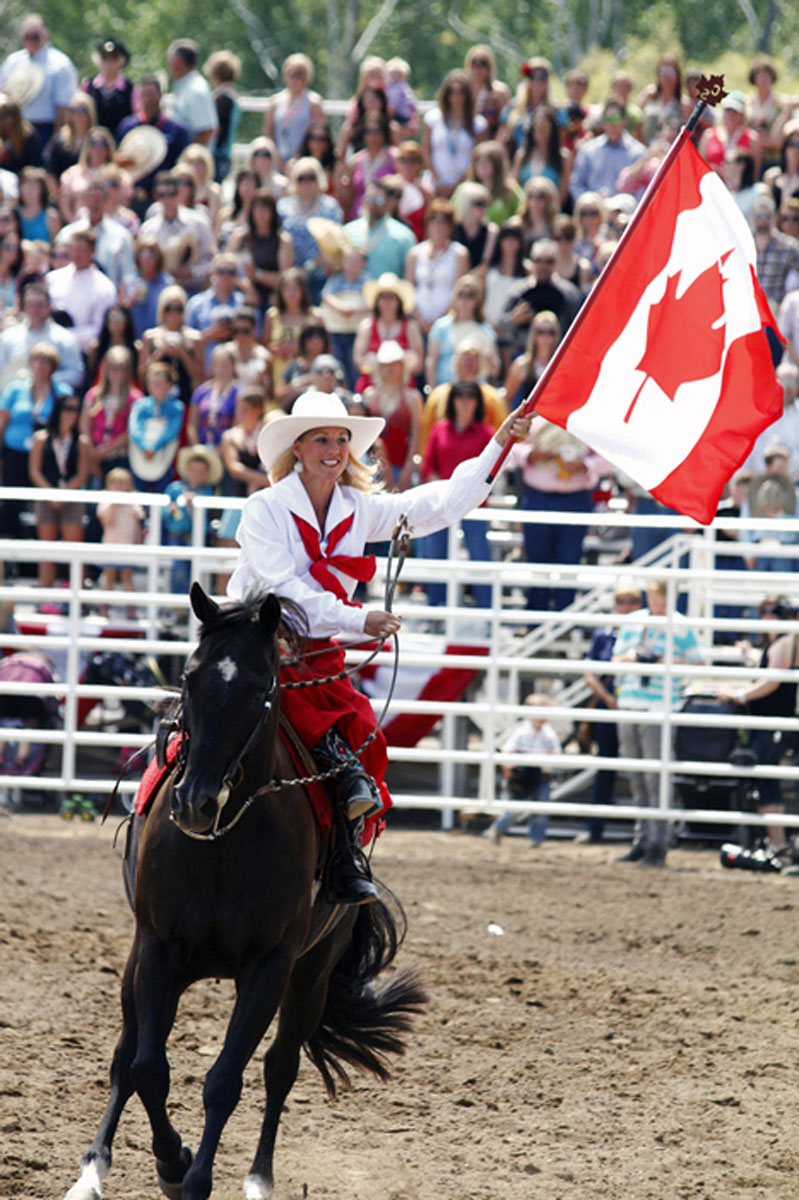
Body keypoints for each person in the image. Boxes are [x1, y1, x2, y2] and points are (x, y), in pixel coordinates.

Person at [226, 389, 532, 903]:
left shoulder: (358, 509)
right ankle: (176, 800)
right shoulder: (263, 509)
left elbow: (439, 504)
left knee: (360, 740)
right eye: (322, 438)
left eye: (342, 439)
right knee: (213, 714)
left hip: (317, 652)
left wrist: (498, 445)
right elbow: (283, 589)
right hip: (255, 639)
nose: (335, 448)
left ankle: (342, 858)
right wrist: (357, 617)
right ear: (297, 448)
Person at [612, 578, 703, 867]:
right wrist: (631, 658)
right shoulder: (634, 622)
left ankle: (658, 842)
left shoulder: (680, 625)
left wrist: (667, 661)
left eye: (662, 602)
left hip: (659, 704)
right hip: (629, 700)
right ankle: (642, 839)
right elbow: (615, 660)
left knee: (656, 776)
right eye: (653, 601)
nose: (657, 607)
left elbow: (699, 664)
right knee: (637, 776)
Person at [720, 596, 798, 851]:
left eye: (772, 611)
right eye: (763, 612)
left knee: (767, 779)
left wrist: (740, 694)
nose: (766, 617)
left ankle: (778, 845)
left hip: (774, 722)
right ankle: (778, 844)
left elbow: (772, 681)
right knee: (767, 779)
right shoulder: (781, 642)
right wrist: (751, 656)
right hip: (773, 721)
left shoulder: (787, 641)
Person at [417, 379, 496, 608]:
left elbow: (490, 470)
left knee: (479, 556)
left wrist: (466, 493)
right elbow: (427, 467)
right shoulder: (439, 429)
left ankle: (486, 610)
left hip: (474, 505)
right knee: (435, 555)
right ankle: (436, 609)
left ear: (477, 402)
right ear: (452, 401)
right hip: (442, 502)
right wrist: (447, 491)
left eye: (470, 396)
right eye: (459, 396)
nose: (464, 401)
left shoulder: (485, 433)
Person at [579, 578, 643, 844]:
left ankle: (644, 832)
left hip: (638, 703)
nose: (625, 607)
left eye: (631, 601)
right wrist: (607, 697)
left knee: (643, 767)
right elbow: (590, 671)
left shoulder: (647, 631)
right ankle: (595, 827)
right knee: (606, 764)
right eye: (621, 602)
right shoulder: (604, 634)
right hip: (610, 705)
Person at [0, 343, 70, 540]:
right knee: (12, 502)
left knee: (44, 503)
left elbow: (66, 424)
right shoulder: (15, 389)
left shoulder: (61, 392)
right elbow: (2, 422)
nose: (41, 366)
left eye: (46, 361)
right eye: (37, 360)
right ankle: (9, 555)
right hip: (15, 453)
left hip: (48, 455)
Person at [28, 390, 90, 589]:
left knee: (75, 551)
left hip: (70, 497)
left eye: (75, 409)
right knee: (47, 551)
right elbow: (34, 470)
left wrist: (64, 494)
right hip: (47, 497)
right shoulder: (41, 438)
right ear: (58, 410)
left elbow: (82, 474)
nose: (72, 413)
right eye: (68, 408)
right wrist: (51, 493)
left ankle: (78, 601)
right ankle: (45, 598)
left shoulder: (81, 441)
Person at [487, 693, 561, 844]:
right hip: (524, 775)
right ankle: (499, 828)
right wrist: (509, 771)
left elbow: (556, 753)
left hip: (542, 776)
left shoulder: (549, 734)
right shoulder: (521, 733)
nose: (541, 717)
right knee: (515, 808)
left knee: (540, 809)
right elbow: (507, 751)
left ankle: (536, 838)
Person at [0, 14, 78, 149]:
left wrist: (54, 141)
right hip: (14, 128)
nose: (31, 40)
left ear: (46, 34)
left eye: (35, 36)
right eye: (26, 36)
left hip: (45, 128)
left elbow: (64, 107)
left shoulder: (60, 64)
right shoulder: (13, 62)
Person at [0, 279, 83, 391]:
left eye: (39, 304)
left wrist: (43, 378)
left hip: (50, 399)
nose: (35, 309)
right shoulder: (9, 337)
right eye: (30, 304)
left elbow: (76, 375)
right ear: (24, 307)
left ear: (49, 306)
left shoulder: (64, 338)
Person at [45, 228, 117, 357]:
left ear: (92, 251)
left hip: (81, 352)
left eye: (82, 250)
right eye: (73, 249)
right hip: (47, 346)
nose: (77, 254)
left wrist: (65, 336)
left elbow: (98, 329)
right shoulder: (52, 278)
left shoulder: (104, 287)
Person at [362, 339, 422, 491]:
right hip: (374, 466)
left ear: (402, 367)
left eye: (394, 364)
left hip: (400, 464)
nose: (390, 369)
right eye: (386, 365)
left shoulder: (412, 397)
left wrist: (408, 468)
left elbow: (415, 436)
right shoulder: (370, 395)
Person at [163, 444, 221, 595]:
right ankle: (178, 608)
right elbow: (163, 510)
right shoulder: (174, 488)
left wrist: (194, 503)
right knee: (178, 568)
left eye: (200, 471)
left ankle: (192, 607)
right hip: (176, 537)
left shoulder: (207, 492)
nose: (195, 474)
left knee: (195, 573)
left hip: (199, 538)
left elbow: (207, 512)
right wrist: (171, 509)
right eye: (193, 470)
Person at [422, 69, 487, 199]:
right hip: (435, 183)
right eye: (452, 91)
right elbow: (425, 150)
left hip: (464, 184)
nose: (456, 96)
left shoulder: (478, 124)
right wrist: (439, 181)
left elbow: (477, 157)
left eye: (460, 92)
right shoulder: (433, 118)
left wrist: (458, 184)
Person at [80, 344, 140, 481]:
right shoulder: (93, 396)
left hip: (121, 457)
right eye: (112, 368)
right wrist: (93, 452)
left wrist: (106, 451)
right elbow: (84, 426)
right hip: (93, 456)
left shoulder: (135, 399)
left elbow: (131, 431)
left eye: (121, 368)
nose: (116, 372)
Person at [570, 99, 642, 204]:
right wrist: (589, 203)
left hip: (625, 215)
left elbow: (642, 190)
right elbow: (576, 184)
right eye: (608, 119)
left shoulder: (637, 153)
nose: (612, 123)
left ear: (624, 121)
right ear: (603, 122)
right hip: (592, 214)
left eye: (616, 119)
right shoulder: (588, 150)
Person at [128, 361, 185, 491]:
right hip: (141, 456)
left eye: (158, 383)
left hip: (163, 457)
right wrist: (145, 446)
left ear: (169, 385)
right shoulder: (140, 405)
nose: (153, 386)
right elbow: (135, 428)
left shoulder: (176, 408)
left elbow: (171, 431)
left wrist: (155, 447)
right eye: (151, 383)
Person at [263, 54, 324, 169]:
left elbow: (319, 134)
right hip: (278, 160)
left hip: (304, 161)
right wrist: (279, 162)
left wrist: (298, 158)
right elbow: (268, 134)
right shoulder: (275, 102)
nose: (293, 79)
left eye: (298, 74)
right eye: (290, 73)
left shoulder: (313, 102)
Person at [96, 466, 144, 610]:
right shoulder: (105, 503)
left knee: (127, 578)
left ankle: (131, 608)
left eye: (122, 483)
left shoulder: (134, 504)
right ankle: (104, 608)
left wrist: (139, 544)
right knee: (108, 577)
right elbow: (106, 522)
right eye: (115, 483)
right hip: (110, 546)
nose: (118, 487)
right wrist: (114, 504)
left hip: (128, 546)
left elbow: (137, 527)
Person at [165, 40, 218, 148]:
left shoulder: (196, 90)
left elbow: (207, 130)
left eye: (170, 58)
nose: (168, 62)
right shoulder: (185, 86)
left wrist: (188, 157)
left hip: (192, 162)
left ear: (178, 61)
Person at [203, 49, 241, 182]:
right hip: (225, 154)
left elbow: (217, 128)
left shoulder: (223, 99)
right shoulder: (232, 96)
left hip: (218, 155)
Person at [82, 38, 133, 138]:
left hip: (120, 143)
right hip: (93, 145)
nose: (109, 62)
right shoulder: (88, 85)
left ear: (122, 60)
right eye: (104, 57)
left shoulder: (130, 89)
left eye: (113, 57)